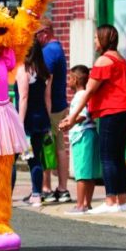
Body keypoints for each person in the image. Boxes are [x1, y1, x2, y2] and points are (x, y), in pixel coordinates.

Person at [67, 24, 126, 214]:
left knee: (107, 158)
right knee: (118, 157)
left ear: (104, 39)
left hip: (113, 111)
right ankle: (121, 201)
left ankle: (110, 201)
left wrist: (71, 118)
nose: (94, 41)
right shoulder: (120, 59)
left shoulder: (103, 61)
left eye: (96, 38)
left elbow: (89, 91)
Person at [58, 65, 101, 214]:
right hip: (90, 134)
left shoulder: (79, 96)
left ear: (75, 80)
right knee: (89, 172)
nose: (68, 81)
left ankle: (80, 205)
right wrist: (67, 120)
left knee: (81, 172)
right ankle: (87, 204)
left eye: (69, 78)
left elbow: (82, 115)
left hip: (82, 136)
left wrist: (71, 122)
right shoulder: (85, 95)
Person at [37, 20, 71, 203]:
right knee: (59, 147)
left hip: (51, 108)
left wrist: (45, 110)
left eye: (36, 35)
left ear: (45, 33)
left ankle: (46, 187)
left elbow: (46, 84)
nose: (35, 39)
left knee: (48, 146)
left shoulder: (49, 52)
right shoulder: (57, 48)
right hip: (60, 105)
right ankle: (62, 189)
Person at [17, 40, 52, 208]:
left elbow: (23, 98)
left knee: (11, 159)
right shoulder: (45, 73)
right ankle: (37, 194)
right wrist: (50, 122)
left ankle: (5, 196)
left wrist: (19, 123)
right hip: (41, 119)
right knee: (35, 158)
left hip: (27, 121)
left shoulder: (24, 71)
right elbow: (48, 99)